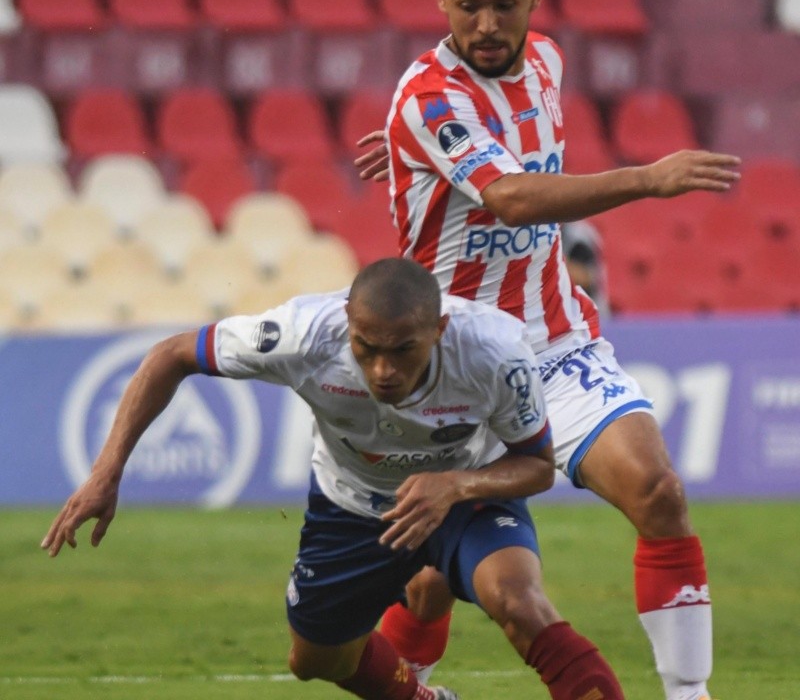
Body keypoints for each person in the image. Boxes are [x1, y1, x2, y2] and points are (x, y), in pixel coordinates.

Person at [353, 0, 741, 700]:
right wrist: (647, 177)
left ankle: (690, 696)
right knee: (428, 582)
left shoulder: (548, 66)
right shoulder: (429, 99)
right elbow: (512, 196)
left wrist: (405, 150)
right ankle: (410, 689)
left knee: (660, 492)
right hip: (449, 363)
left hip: (556, 342)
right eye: (467, 4)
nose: (486, 24)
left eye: (504, 3)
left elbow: (506, 156)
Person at [41, 258, 627, 700]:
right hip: (351, 507)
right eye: (367, 348)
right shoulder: (302, 334)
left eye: (404, 351)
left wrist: (455, 485)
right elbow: (171, 354)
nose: (383, 370)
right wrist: (105, 472)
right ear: (347, 321)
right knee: (315, 659)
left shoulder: (495, 352)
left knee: (520, 603)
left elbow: (536, 464)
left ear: (440, 329)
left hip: (464, 496)